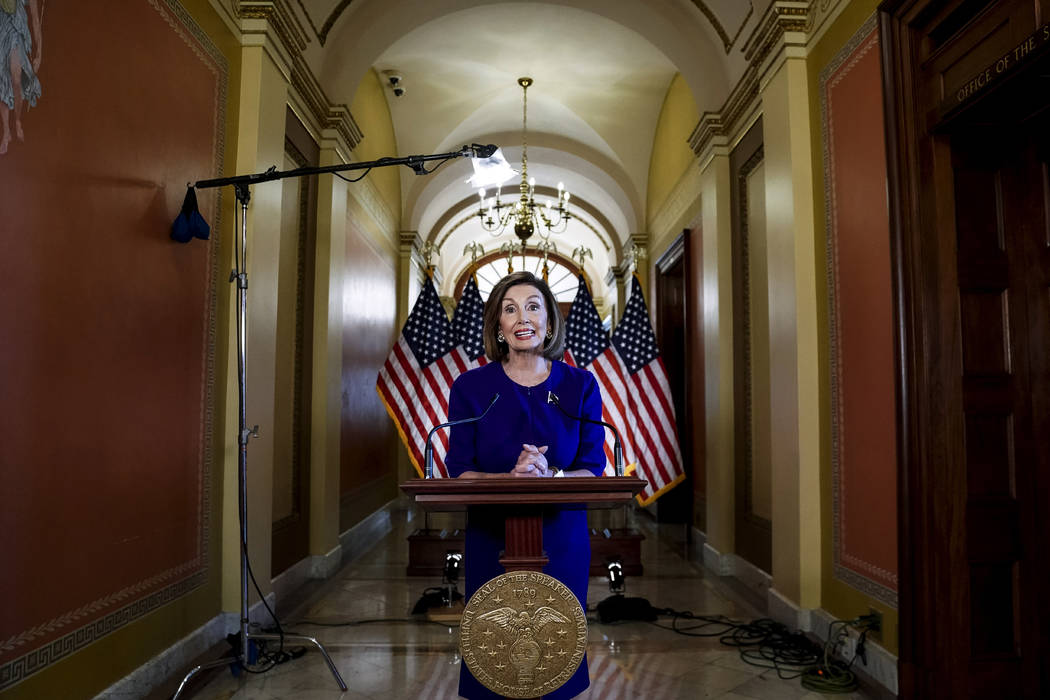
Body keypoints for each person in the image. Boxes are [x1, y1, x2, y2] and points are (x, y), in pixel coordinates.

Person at [445, 271, 605, 700]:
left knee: (557, 651)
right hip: (491, 536)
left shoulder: (580, 385)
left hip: (562, 536)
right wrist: (510, 478)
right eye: (510, 309)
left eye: (533, 307)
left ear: (549, 322)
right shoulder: (471, 387)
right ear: (498, 326)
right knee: (494, 650)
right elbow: (459, 470)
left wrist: (550, 476)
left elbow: (593, 468)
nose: (523, 318)